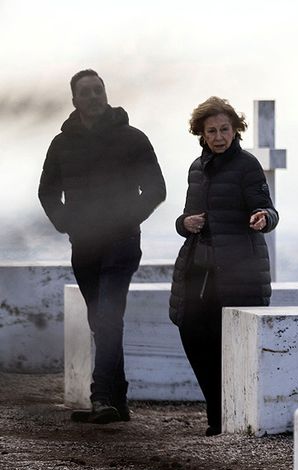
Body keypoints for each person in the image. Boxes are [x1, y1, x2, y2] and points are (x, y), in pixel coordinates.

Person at [38, 69, 166, 424]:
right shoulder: (61, 144)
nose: (94, 96)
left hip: (122, 243)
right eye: (86, 92)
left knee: (108, 317)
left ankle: (101, 398)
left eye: (99, 90)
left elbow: (156, 188)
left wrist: (127, 220)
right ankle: (118, 399)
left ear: (105, 94)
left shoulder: (132, 138)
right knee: (102, 321)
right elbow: (47, 192)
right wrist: (68, 224)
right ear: (75, 100)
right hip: (84, 246)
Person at [169, 97, 278, 436]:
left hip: (238, 269)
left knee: (226, 342)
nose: (219, 137)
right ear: (201, 134)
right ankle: (217, 410)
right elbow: (186, 218)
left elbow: (268, 209)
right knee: (190, 332)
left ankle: (222, 419)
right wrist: (185, 223)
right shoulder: (196, 169)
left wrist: (263, 218)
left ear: (235, 130)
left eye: (224, 129)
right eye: (211, 131)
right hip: (199, 267)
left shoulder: (247, 165)